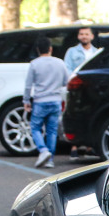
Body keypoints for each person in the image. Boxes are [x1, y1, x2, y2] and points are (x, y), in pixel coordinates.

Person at [23, 36, 66, 169]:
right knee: (52, 130)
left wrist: (26, 100)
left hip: (40, 101)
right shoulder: (60, 63)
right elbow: (66, 81)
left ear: (37, 50)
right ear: (50, 49)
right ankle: (50, 159)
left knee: (35, 127)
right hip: (56, 100)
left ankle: (43, 150)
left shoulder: (34, 64)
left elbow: (28, 85)